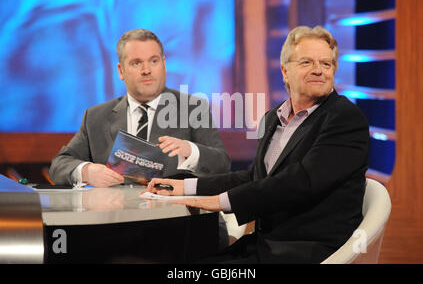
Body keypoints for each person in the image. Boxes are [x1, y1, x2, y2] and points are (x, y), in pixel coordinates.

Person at [144, 26, 370, 264]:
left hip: (308, 251)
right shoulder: (273, 118)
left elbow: (302, 181)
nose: (319, 71)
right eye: (307, 62)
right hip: (264, 246)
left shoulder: (345, 118)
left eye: (326, 64)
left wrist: (219, 202)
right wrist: (184, 187)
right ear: (285, 70)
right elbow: (256, 177)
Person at [49, 28, 231, 188]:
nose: (147, 70)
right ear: (121, 71)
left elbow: (222, 164)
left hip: (174, 221)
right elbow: (59, 165)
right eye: (137, 63)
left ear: (164, 64)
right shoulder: (96, 117)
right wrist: (87, 171)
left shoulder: (192, 108)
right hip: (115, 221)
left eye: (154, 61)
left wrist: (190, 151)